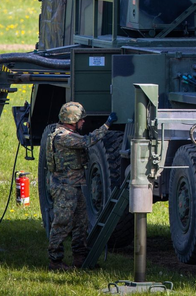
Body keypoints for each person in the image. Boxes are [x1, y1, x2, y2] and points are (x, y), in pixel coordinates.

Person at [45, 101, 117, 271]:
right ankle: (55, 262)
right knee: (62, 223)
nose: (83, 122)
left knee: (80, 223)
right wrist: (107, 125)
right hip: (64, 187)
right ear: (72, 120)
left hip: (73, 186)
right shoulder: (63, 137)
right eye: (81, 119)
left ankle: (80, 258)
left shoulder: (64, 133)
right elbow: (87, 141)